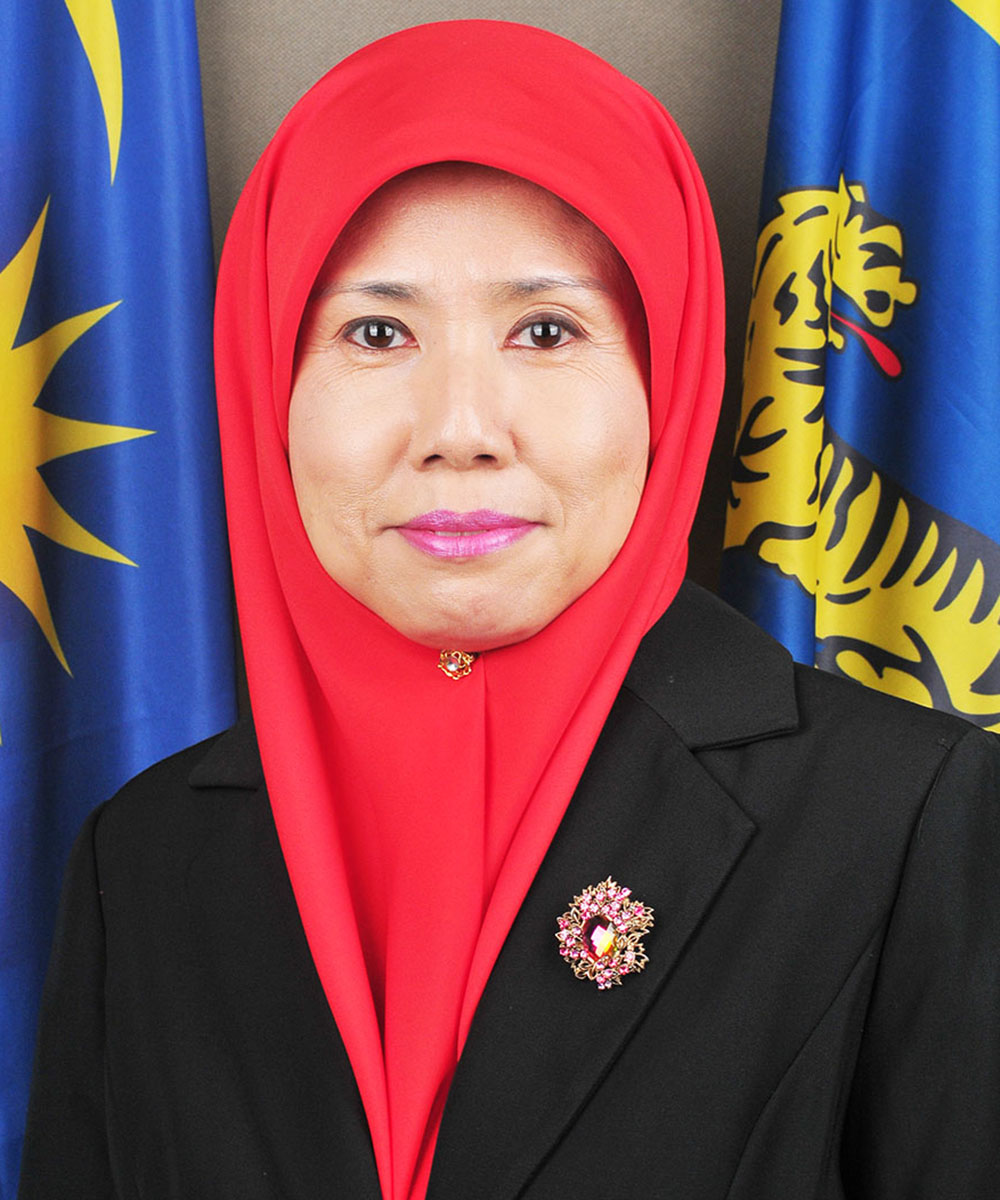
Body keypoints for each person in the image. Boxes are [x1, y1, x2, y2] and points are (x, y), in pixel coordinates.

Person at [18, 19, 1000, 1200]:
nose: (460, 430)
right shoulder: (144, 858)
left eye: (546, 330)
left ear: (669, 376)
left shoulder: (904, 815)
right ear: (265, 381)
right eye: (375, 332)